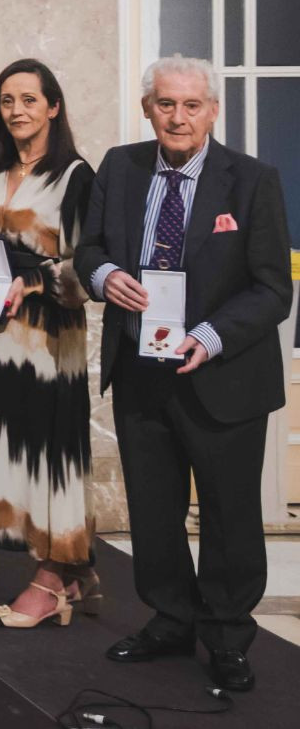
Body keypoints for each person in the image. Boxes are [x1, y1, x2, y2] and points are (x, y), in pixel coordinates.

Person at [75, 56, 292, 693]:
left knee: (228, 516)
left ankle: (227, 636)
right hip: (143, 373)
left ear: (212, 111)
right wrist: (104, 277)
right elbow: (90, 249)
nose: (178, 116)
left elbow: (272, 288)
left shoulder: (252, 181)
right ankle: (170, 619)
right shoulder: (121, 166)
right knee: (154, 511)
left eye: (191, 105)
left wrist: (209, 335)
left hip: (222, 376)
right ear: (148, 108)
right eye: (165, 104)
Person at [0, 59, 97, 629]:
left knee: (49, 457)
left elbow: (87, 271)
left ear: (53, 106)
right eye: (7, 101)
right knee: (15, 453)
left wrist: (31, 281)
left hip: (46, 340)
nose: (16, 111)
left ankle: (50, 582)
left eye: (29, 100)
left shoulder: (75, 176)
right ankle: (74, 572)